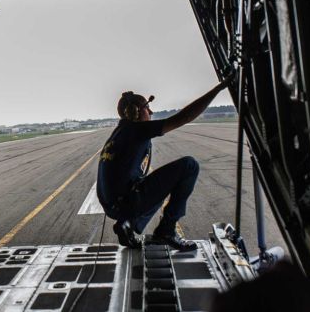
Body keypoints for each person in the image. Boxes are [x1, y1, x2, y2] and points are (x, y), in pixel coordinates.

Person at [96, 79, 230, 251]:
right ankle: (166, 231)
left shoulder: (120, 132)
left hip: (113, 206)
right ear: (135, 112)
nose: (150, 111)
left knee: (159, 184)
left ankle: (128, 224)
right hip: (125, 203)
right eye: (146, 108)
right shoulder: (137, 129)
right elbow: (183, 117)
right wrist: (217, 89)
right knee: (189, 166)